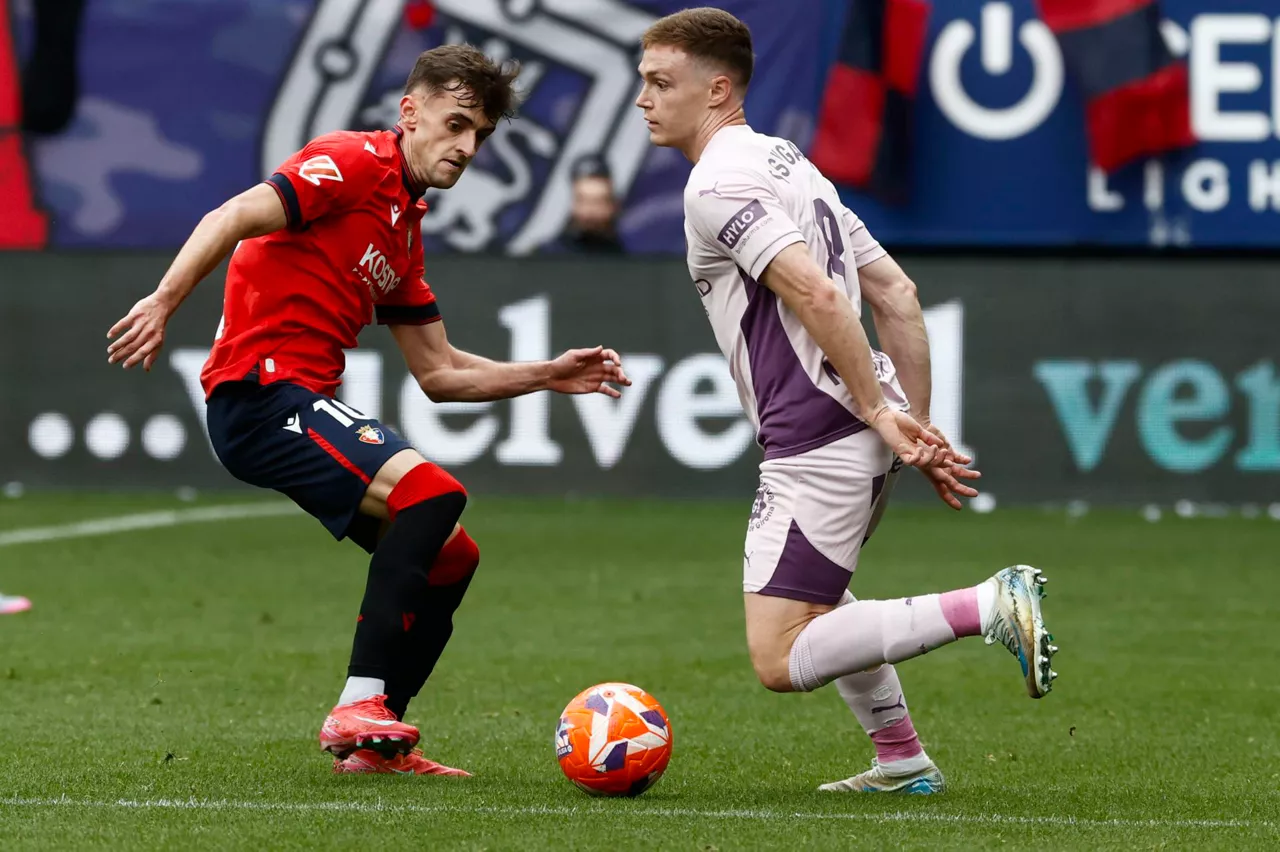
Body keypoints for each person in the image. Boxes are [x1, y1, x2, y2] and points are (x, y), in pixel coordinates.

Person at [106, 45, 631, 776]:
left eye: (479, 134)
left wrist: (546, 374)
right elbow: (233, 214)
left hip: (296, 400)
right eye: (455, 124)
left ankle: (375, 743)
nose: (467, 147)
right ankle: (358, 701)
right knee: (432, 492)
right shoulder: (352, 163)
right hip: (259, 394)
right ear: (409, 112)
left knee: (452, 554)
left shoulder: (403, 231)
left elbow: (441, 373)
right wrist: (164, 300)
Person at [635, 8, 1056, 795]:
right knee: (821, 601)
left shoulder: (717, 184)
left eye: (661, 82)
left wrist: (875, 413)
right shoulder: (792, 165)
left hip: (820, 432)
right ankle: (901, 759)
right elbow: (895, 292)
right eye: (642, 82)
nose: (643, 100)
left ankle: (987, 604)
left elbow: (821, 296)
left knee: (780, 654)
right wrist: (911, 425)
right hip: (855, 426)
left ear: (718, 88)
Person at [546, 154, 625, 254]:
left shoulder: (630, 260)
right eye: (583, 201)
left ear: (613, 205)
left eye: (598, 202)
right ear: (573, 203)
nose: (591, 212)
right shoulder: (546, 256)